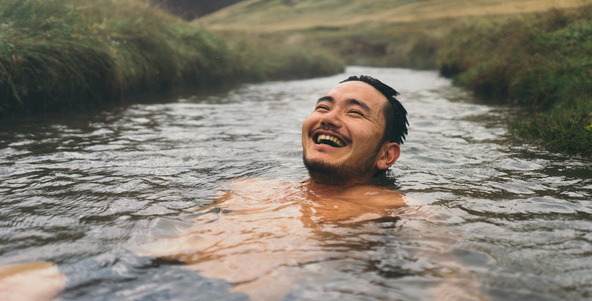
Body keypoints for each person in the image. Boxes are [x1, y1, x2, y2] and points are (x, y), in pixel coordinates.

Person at [138, 75, 483, 300]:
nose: (330, 118)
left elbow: (453, 286)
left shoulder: (403, 213)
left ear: (386, 155)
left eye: (356, 114)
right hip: (136, 277)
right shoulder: (247, 188)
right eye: (323, 106)